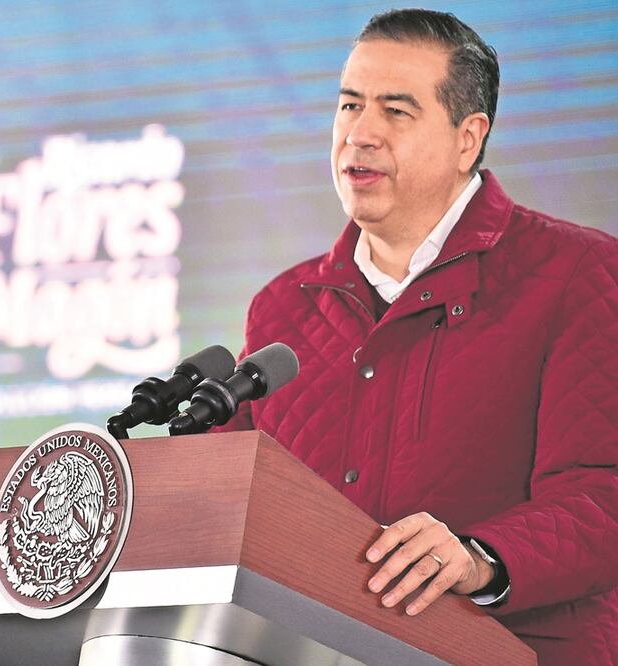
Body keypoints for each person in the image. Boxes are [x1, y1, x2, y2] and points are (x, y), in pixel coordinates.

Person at [218, 9, 617, 664]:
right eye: (349, 106)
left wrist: (479, 558)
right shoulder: (283, 307)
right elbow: (230, 495)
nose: (360, 134)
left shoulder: (578, 274)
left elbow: (602, 492)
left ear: (468, 138)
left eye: (395, 112)